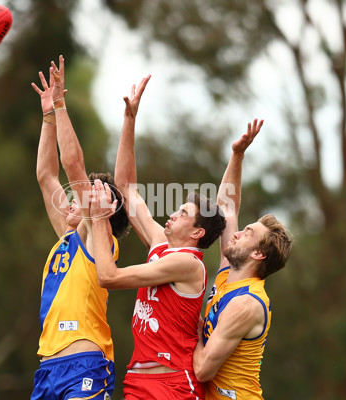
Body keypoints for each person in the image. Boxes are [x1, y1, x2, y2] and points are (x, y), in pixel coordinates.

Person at [88, 75, 227, 400]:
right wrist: (129, 119)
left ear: (197, 232)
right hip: (138, 381)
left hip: (172, 386)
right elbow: (125, 186)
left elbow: (108, 276)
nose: (173, 214)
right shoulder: (161, 245)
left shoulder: (187, 264)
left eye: (183, 213)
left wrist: (98, 219)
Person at [29, 55, 130, 400]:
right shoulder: (69, 238)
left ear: (106, 207)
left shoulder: (96, 233)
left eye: (86, 194)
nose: (74, 198)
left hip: (84, 364)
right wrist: (47, 116)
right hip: (47, 370)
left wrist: (60, 105)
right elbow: (46, 175)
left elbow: (72, 165)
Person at [192, 119, 293, 400]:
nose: (235, 235)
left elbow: (202, 370)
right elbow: (226, 208)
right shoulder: (228, 276)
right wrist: (237, 155)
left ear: (258, 254)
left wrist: (188, 327)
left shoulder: (246, 304)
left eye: (247, 233)